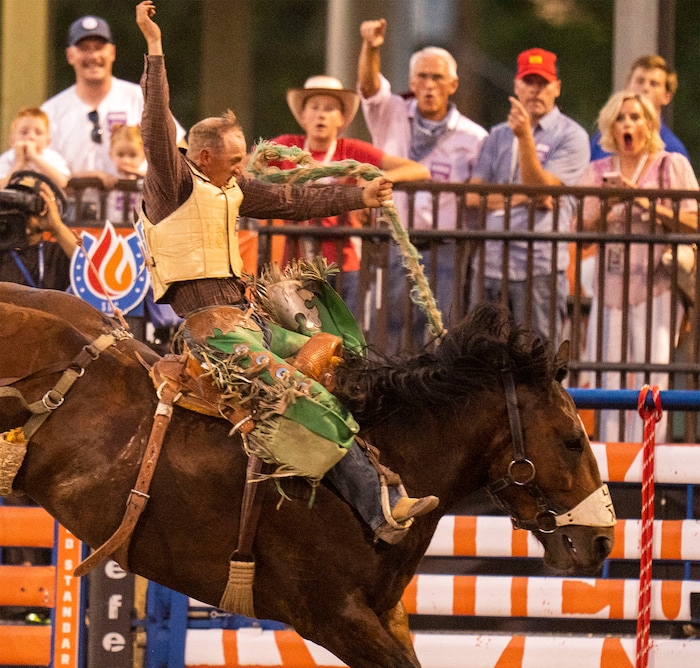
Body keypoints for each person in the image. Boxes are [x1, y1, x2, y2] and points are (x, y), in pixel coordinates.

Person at [135, 1, 438, 544]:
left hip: (244, 317)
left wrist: (360, 193)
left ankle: (354, 474)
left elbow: (290, 199)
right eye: (231, 158)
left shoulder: (227, 185)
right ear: (200, 155)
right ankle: (378, 512)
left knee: (334, 344)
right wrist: (154, 48)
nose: (241, 165)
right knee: (301, 387)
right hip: (213, 330)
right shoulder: (172, 183)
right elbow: (157, 123)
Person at [357, 18, 488, 352]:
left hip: (447, 248)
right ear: (412, 82)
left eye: (438, 77)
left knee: (440, 332)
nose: (430, 85)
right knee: (391, 329)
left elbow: (482, 196)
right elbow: (370, 87)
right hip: (394, 242)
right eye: (423, 77)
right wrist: (371, 47)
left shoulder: (474, 138)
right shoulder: (392, 112)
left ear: (453, 84)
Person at [579, 91, 698, 443]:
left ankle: (650, 457)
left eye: (635, 117)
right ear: (610, 126)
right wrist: (609, 204)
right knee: (609, 378)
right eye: (620, 118)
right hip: (610, 286)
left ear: (649, 124)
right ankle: (616, 462)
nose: (627, 124)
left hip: (656, 283)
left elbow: (694, 219)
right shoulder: (597, 171)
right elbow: (581, 231)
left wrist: (647, 203)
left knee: (654, 373)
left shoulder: (670, 165)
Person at [270, 75, 430, 315]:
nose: (321, 115)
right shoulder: (285, 146)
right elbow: (248, 167)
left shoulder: (352, 150)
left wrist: (379, 179)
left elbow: (419, 170)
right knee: (299, 341)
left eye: (329, 109)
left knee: (346, 341)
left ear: (341, 119)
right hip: (294, 265)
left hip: (343, 265)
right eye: (314, 107)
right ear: (303, 117)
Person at [466, 47, 590, 344]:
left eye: (543, 82)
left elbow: (541, 188)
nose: (535, 90)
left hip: (540, 267)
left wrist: (524, 138)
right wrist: (524, 197)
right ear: (516, 86)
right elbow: (473, 197)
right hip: (490, 262)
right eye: (529, 81)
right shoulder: (497, 134)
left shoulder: (572, 135)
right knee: (479, 357)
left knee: (535, 360)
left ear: (557, 88)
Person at [41, 14, 185, 189]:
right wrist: (79, 178)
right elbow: (36, 168)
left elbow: (180, 152)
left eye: (99, 47)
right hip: (69, 213)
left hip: (136, 211)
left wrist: (146, 174)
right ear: (70, 55)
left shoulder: (139, 98)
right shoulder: (51, 111)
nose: (93, 56)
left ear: (112, 52)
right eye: (84, 48)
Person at [590, 55, 690, 162]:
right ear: (627, 87)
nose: (645, 88)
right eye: (640, 81)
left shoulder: (673, 150)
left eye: (654, 84)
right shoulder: (602, 140)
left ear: (666, 97)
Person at [0, 173, 78, 289]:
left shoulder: (56, 253)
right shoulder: (2, 250)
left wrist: (57, 228)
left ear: (46, 209)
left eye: (29, 205)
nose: (21, 213)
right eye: (13, 205)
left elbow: (90, 269)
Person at [0, 108, 70, 189]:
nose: (31, 137)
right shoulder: (7, 158)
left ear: (48, 141)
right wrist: (18, 164)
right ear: (12, 140)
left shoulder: (52, 157)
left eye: (38, 133)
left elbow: (62, 182)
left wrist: (34, 158)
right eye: (24, 132)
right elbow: (2, 186)